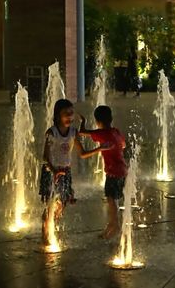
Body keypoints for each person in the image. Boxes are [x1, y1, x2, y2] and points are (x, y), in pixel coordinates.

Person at [40, 99, 109, 245]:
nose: (70, 117)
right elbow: (45, 157)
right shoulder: (51, 132)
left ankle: (52, 225)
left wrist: (99, 149)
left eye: (71, 114)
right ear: (58, 115)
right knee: (51, 203)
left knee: (62, 203)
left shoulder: (73, 132)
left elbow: (82, 153)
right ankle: (46, 235)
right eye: (66, 114)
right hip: (51, 172)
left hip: (65, 172)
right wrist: (53, 171)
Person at [79, 106, 128, 239]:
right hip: (123, 170)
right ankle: (110, 226)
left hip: (113, 172)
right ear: (111, 118)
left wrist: (83, 120)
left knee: (111, 199)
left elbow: (82, 132)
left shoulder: (102, 133)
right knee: (115, 199)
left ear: (97, 121)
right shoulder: (115, 131)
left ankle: (115, 225)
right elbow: (123, 145)